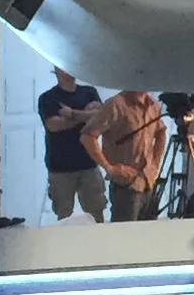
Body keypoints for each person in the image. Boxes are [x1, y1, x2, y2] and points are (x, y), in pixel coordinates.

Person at [79, 85, 165, 222]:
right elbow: (88, 136)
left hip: (148, 182)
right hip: (126, 185)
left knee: (148, 231)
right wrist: (109, 167)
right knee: (124, 231)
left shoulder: (152, 105)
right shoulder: (116, 104)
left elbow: (161, 131)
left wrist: (155, 163)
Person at [38, 67, 105, 220]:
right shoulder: (48, 98)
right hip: (60, 166)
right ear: (55, 70)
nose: (67, 71)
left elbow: (100, 117)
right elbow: (54, 125)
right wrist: (86, 116)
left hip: (89, 163)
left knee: (96, 213)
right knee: (64, 215)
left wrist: (72, 114)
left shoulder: (89, 92)